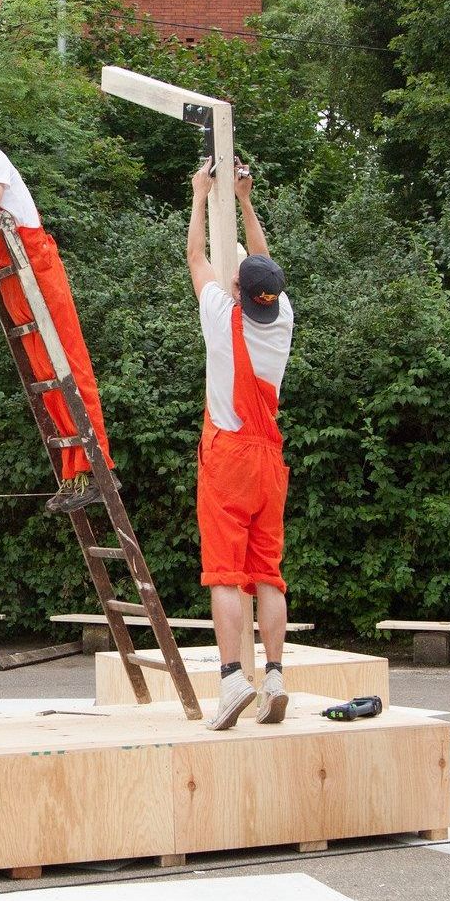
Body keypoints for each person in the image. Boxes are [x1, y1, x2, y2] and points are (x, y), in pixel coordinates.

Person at [0, 131, 112, 513]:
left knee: (70, 365)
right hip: (11, 279)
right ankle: (74, 473)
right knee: (46, 376)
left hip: (37, 268)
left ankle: (97, 468)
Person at [186, 158, 295, 730]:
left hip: (228, 456)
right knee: (268, 573)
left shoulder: (219, 315)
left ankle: (233, 681)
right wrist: (247, 200)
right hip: (269, 460)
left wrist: (202, 194)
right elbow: (264, 264)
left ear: (238, 291)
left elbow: (196, 258)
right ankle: (274, 674)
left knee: (226, 573)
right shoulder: (283, 321)